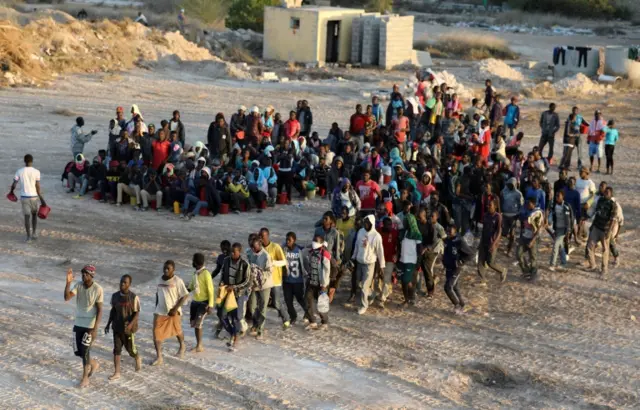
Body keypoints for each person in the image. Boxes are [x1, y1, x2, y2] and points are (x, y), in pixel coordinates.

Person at [64, 265, 103, 388]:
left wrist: (95, 329)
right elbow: (67, 297)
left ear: (92, 275)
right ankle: (94, 364)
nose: (83, 275)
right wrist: (68, 282)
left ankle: (85, 378)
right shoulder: (78, 285)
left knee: (85, 351)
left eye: (86, 274)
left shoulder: (98, 289)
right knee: (78, 352)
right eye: (82, 273)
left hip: (90, 326)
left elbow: (100, 310)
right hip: (78, 323)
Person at [104, 274, 141, 380]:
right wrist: (108, 324)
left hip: (128, 329)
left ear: (129, 284)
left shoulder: (134, 297)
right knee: (117, 350)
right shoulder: (115, 296)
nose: (122, 284)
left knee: (131, 350)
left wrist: (130, 324)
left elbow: (137, 313)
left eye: (125, 282)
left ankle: (137, 357)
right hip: (116, 327)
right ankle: (117, 372)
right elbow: (113, 311)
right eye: (121, 282)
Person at [153, 260, 189, 366]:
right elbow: (157, 294)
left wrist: (175, 308)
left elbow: (184, 295)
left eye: (168, 268)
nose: (165, 270)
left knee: (177, 331)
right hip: (160, 311)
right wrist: (156, 307)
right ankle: (159, 357)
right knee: (156, 334)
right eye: (164, 267)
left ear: (173, 270)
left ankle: (182, 345)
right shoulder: (159, 280)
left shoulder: (177, 281)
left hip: (173, 312)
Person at [218, 242, 251, 351]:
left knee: (236, 317)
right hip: (227, 293)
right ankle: (233, 333)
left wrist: (234, 287)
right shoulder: (226, 261)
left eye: (234, 252)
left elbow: (247, 282)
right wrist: (222, 285)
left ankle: (235, 339)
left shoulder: (245, 264)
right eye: (231, 251)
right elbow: (222, 275)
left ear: (239, 251)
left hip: (239, 294)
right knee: (222, 314)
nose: (232, 254)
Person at [353, 214, 385, 315]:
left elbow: (380, 252)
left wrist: (382, 266)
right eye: (365, 223)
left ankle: (364, 305)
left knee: (363, 287)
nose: (365, 224)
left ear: (372, 223)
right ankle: (372, 293)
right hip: (359, 262)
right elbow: (357, 245)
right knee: (359, 284)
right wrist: (353, 257)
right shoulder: (360, 232)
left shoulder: (376, 236)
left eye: (368, 223)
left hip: (369, 264)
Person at [259, 228, 291, 329]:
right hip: (264, 281)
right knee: (262, 303)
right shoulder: (259, 248)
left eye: (262, 236)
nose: (260, 238)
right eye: (259, 236)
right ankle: (259, 325)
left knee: (277, 303)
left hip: (275, 280)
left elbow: (284, 262)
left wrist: (273, 263)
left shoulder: (275, 247)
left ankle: (286, 318)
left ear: (267, 236)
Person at [10, 154, 46, 242]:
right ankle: (34, 233)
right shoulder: (36, 172)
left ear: (24, 161)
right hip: (34, 197)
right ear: (32, 161)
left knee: (27, 217)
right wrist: (41, 198)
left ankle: (28, 237)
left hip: (24, 197)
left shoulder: (19, 171)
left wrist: (11, 191)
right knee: (34, 215)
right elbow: (37, 186)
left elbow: (14, 183)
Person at [586, 187, 618, 275]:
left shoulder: (613, 205)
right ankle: (592, 265)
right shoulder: (600, 200)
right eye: (605, 192)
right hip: (596, 227)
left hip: (605, 230)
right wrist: (592, 225)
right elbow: (597, 213)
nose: (606, 193)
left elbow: (613, 220)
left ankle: (604, 269)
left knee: (605, 250)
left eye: (608, 192)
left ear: (611, 194)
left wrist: (609, 231)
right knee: (589, 246)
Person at [247, 235, 274, 340]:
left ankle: (260, 331)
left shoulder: (266, 256)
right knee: (252, 306)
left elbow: (270, 272)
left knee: (262, 308)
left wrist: (260, 274)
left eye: (254, 247)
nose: (253, 249)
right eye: (251, 247)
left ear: (259, 245)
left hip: (265, 285)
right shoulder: (249, 253)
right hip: (254, 284)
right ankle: (255, 324)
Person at [188, 253, 214, 353]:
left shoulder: (206, 274)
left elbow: (211, 290)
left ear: (196, 262)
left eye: (193, 260)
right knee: (194, 324)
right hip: (195, 302)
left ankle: (199, 345)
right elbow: (191, 286)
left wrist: (210, 305)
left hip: (204, 303)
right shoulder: (195, 273)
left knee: (198, 324)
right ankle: (198, 344)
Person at [303, 235, 331, 330]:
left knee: (321, 304)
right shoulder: (311, 252)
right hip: (311, 281)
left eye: (316, 241)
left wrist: (324, 284)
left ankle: (324, 323)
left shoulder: (324, 254)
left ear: (321, 243)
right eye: (313, 240)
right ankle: (313, 321)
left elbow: (327, 270)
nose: (314, 242)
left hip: (321, 283)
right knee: (308, 300)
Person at [419, 208, 446, 298]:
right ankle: (434, 280)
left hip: (435, 250)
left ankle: (431, 290)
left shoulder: (438, 227)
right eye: (430, 216)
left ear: (437, 217)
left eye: (432, 216)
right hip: (428, 249)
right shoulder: (429, 225)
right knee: (427, 269)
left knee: (428, 269)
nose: (431, 217)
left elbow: (444, 237)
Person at [477, 200, 507, 283]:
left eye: (490, 205)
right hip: (484, 241)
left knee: (490, 263)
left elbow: (499, 232)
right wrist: (480, 242)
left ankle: (502, 270)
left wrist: (494, 244)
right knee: (480, 261)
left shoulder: (498, 217)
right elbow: (483, 229)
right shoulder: (485, 215)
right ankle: (482, 279)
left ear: (495, 206)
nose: (488, 207)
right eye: (487, 205)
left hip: (492, 242)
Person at [373, 217, 399, 308]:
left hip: (389, 259)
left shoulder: (395, 233)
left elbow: (398, 244)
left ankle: (382, 298)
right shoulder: (378, 232)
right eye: (387, 225)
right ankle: (378, 293)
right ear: (383, 225)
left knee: (386, 278)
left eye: (390, 225)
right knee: (375, 277)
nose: (389, 227)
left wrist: (397, 254)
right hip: (378, 259)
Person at [282, 232, 308, 325]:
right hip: (287, 281)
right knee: (288, 300)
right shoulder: (283, 249)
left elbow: (305, 264)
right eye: (286, 239)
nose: (287, 241)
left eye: (290, 240)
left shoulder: (299, 251)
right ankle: (293, 316)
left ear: (294, 240)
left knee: (300, 299)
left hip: (298, 281)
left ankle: (308, 313)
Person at [516, 198, 544, 281]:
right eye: (527, 203)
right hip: (524, 236)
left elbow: (538, 229)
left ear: (533, 204)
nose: (527, 205)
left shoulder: (537, 213)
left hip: (532, 238)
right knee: (519, 253)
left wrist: (533, 240)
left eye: (529, 203)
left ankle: (533, 274)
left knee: (533, 257)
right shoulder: (527, 211)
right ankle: (526, 271)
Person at [547, 190, 574, 271]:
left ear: (563, 197)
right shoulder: (554, 205)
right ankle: (564, 263)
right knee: (560, 247)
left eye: (559, 196)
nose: (557, 197)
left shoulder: (566, 206)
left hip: (564, 230)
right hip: (557, 229)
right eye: (556, 196)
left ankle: (552, 264)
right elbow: (552, 214)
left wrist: (568, 232)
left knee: (555, 245)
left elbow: (570, 220)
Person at [442, 225, 465, 314]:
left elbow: (470, 253)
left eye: (450, 231)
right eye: (447, 231)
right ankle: (462, 304)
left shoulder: (459, 241)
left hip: (456, 268)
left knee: (448, 287)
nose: (448, 233)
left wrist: (461, 261)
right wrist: (443, 261)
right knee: (455, 287)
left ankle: (457, 305)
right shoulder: (447, 240)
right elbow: (447, 252)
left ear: (455, 232)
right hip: (448, 268)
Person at [501, 177, 522, 256]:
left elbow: (521, 205)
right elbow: (500, 201)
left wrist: (518, 214)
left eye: (512, 185)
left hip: (513, 216)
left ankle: (509, 250)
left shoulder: (518, 194)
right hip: (505, 215)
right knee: (504, 233)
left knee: (512, 234)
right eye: (509, 184)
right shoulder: (503, 191)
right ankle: (509, 241)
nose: (510, 186)